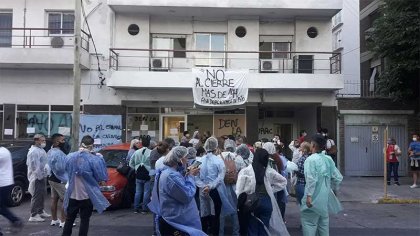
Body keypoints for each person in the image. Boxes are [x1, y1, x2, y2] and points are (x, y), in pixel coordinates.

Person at [148, 146, 205, 236]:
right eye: (186, 158)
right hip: (175, 222)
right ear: (180, 160)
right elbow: (187, 195)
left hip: (175, 220)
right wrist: (191, 176)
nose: (187, 161)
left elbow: (180, 187)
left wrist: (186, 175)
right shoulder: (171, 176)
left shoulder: (169, 173)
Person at [62, 135, 110, 236]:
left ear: (81, 143)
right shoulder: (95, 159)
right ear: (92, 145)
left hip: (72, 194)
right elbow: (102, 179)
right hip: (87, 195)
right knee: (85, 221)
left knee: (69, 219)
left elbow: (64, 171)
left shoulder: (70, 157)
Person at [236, 148, 289, 236]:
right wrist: (271, 190)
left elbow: (239, 190)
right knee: (264, 228)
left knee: (252, 228)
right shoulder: (269, 171)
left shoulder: (246, 171)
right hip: (266, 201)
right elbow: (283, 181)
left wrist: (240, 201)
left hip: (251, 202)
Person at [301, 134, 343, 236]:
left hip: (313, 197)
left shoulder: (310, 160)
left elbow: (311, 179)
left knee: (309, 223)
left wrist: (309, 196)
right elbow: (338, 177)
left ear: (313, 145)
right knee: (323, 225)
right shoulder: (328, 159)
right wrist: (331, 189)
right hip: (324, 199)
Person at [195, 137, 236, 235]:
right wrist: (211, 186)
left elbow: (195, 177)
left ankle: (204, 233)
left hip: (203, 190)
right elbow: (221, 177)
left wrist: (204, 186)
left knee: (204, 214)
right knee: (215, 216)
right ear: (216, 147)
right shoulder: (218, 161)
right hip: (215, 191)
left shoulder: (199, 160)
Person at [219, 139, 244, 236]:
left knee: (222, 212)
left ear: (224, 146)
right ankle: (235, 233)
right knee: (234, 210)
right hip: (235, 187)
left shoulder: (219, 157)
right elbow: (242, 173)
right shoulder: (238, 158)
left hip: (222, 188)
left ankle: (221, 233)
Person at [47, 134, 70, 227]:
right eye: (63, 140)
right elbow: (60, 169)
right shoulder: (58, 153)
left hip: (52, 178)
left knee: (54, 199)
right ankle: (64, 221)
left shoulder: (50, 151)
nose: (65, 142)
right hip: (59, 180)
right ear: (57, 142)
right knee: (65, 200)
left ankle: (54, 219)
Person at [27, 134, 51, 222]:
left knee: (42, 194)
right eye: (42, 140)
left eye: (44, 140)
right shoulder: (33, 151)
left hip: (42, 175)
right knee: (36, 195)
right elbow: (34, 166)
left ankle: (40, 211)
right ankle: (33, 215)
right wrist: (39, 176)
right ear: (36, 140)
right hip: (37, 177)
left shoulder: (40, 150)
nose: (44, 142)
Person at [0, 147, 23, 235]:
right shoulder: (4, 150)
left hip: (2, 183)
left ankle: (15, 220)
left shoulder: (1, 152)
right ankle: (15, 220)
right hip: (6, 182)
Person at [129, 137, 152, 214]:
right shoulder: (151, 152)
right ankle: (144, 209)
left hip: (139, 173)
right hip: (148, 173)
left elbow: (130, 163)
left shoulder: (136, 152)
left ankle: (136, 208)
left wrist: (136, 168)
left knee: (138, 192)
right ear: (149, 144)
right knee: (146, 192)